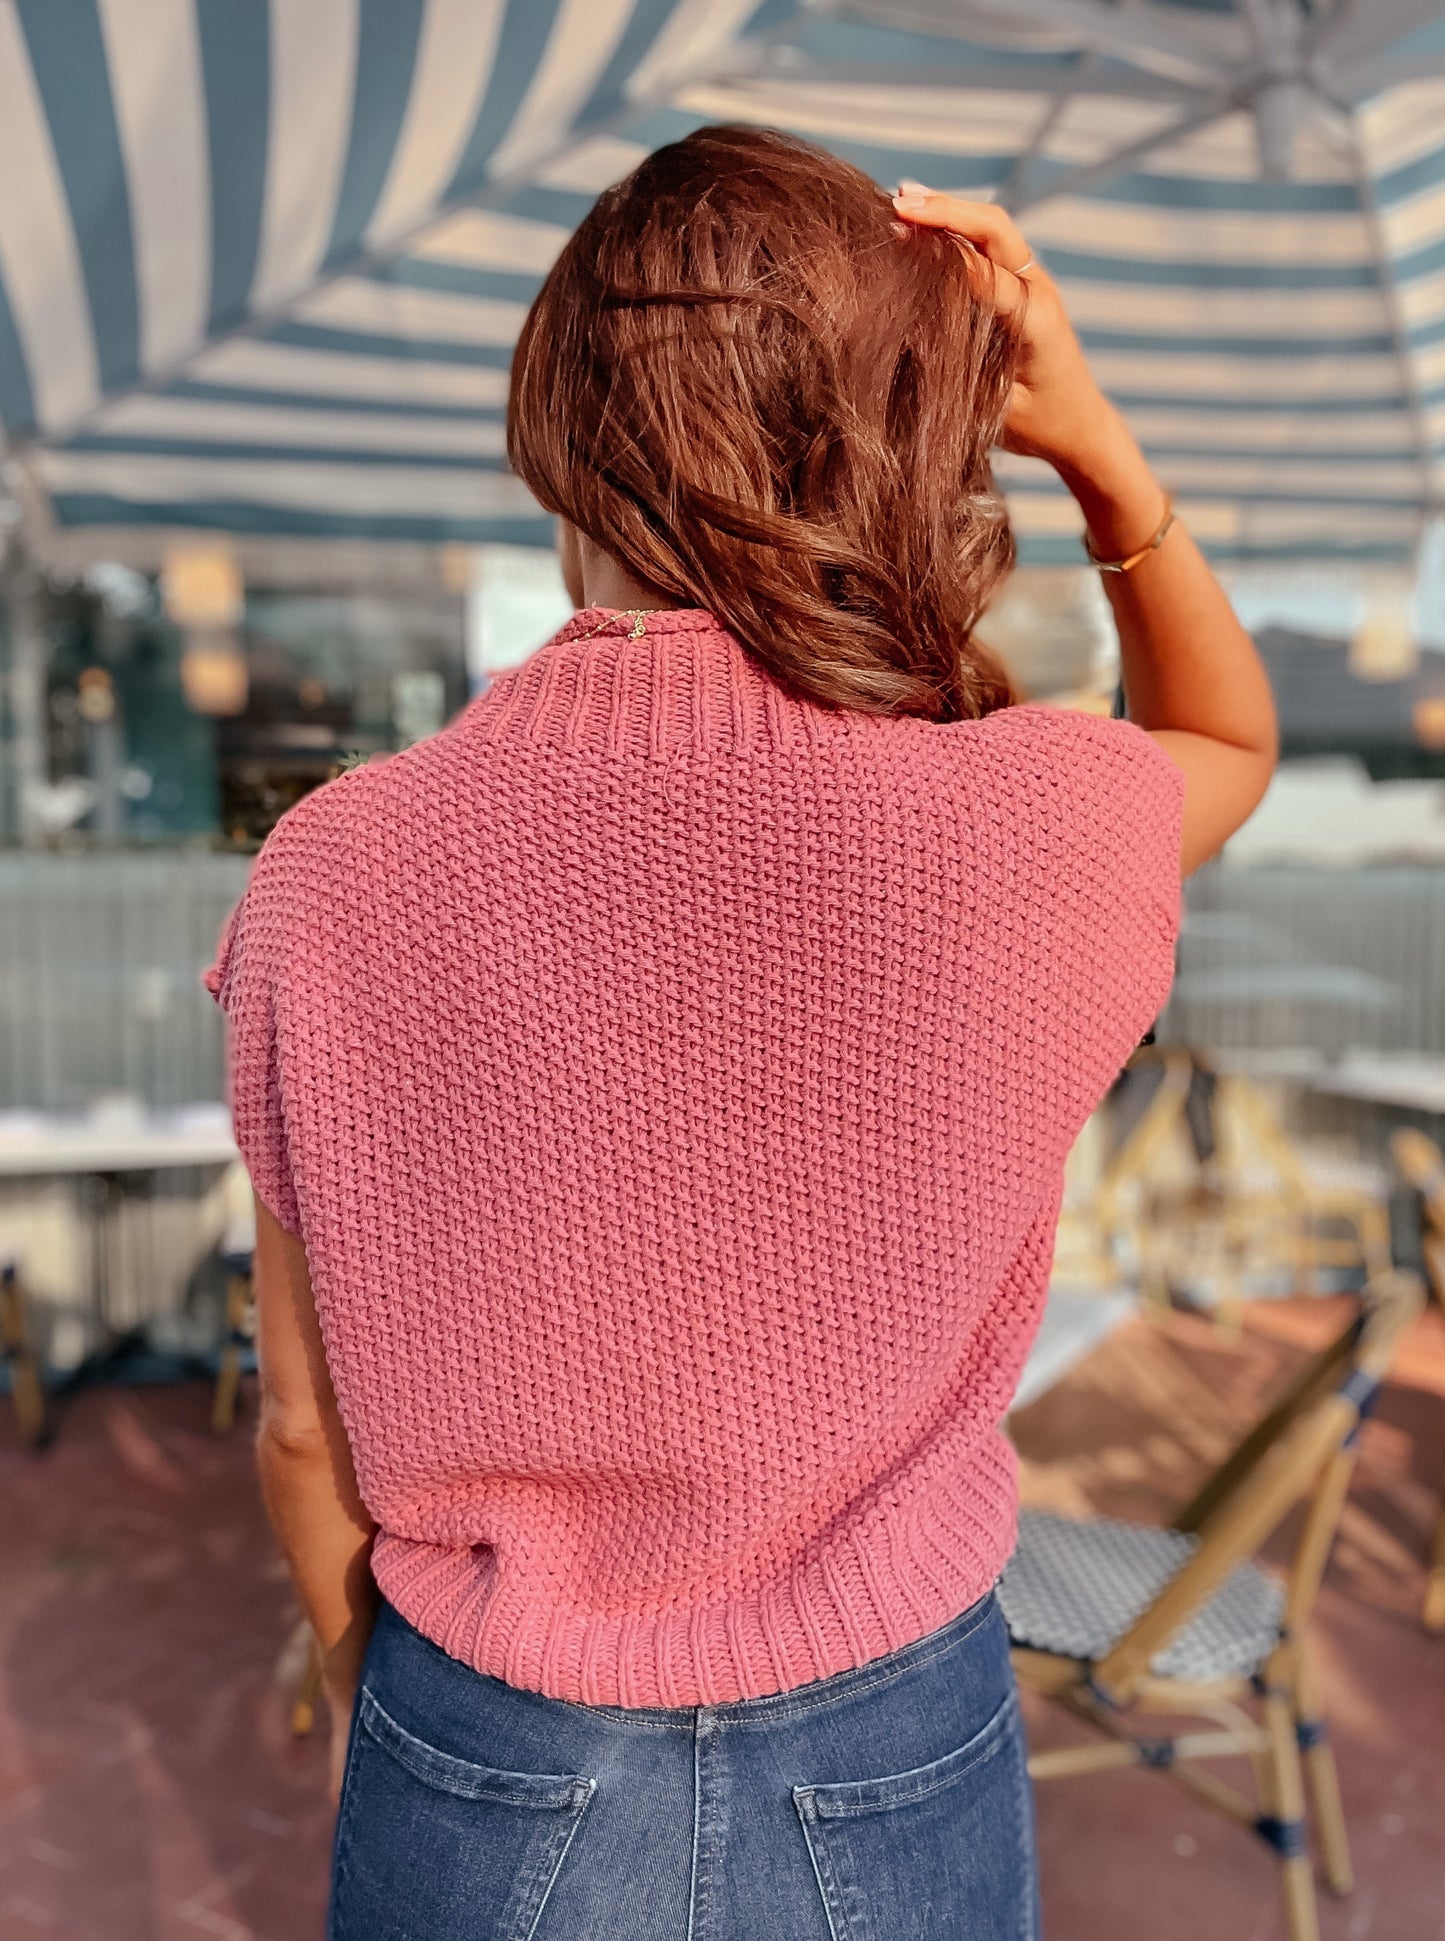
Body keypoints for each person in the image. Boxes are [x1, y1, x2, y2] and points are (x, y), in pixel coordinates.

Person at [205, 126, 1277, 1941]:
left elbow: (304, 1430)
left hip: (486, 1732)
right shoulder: (1032, 821)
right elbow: (1231, 743)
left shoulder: (334, 865)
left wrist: (367, 1705)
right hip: (892, 1727)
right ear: (912, 435)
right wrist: (1096, 448)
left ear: (562, 433)